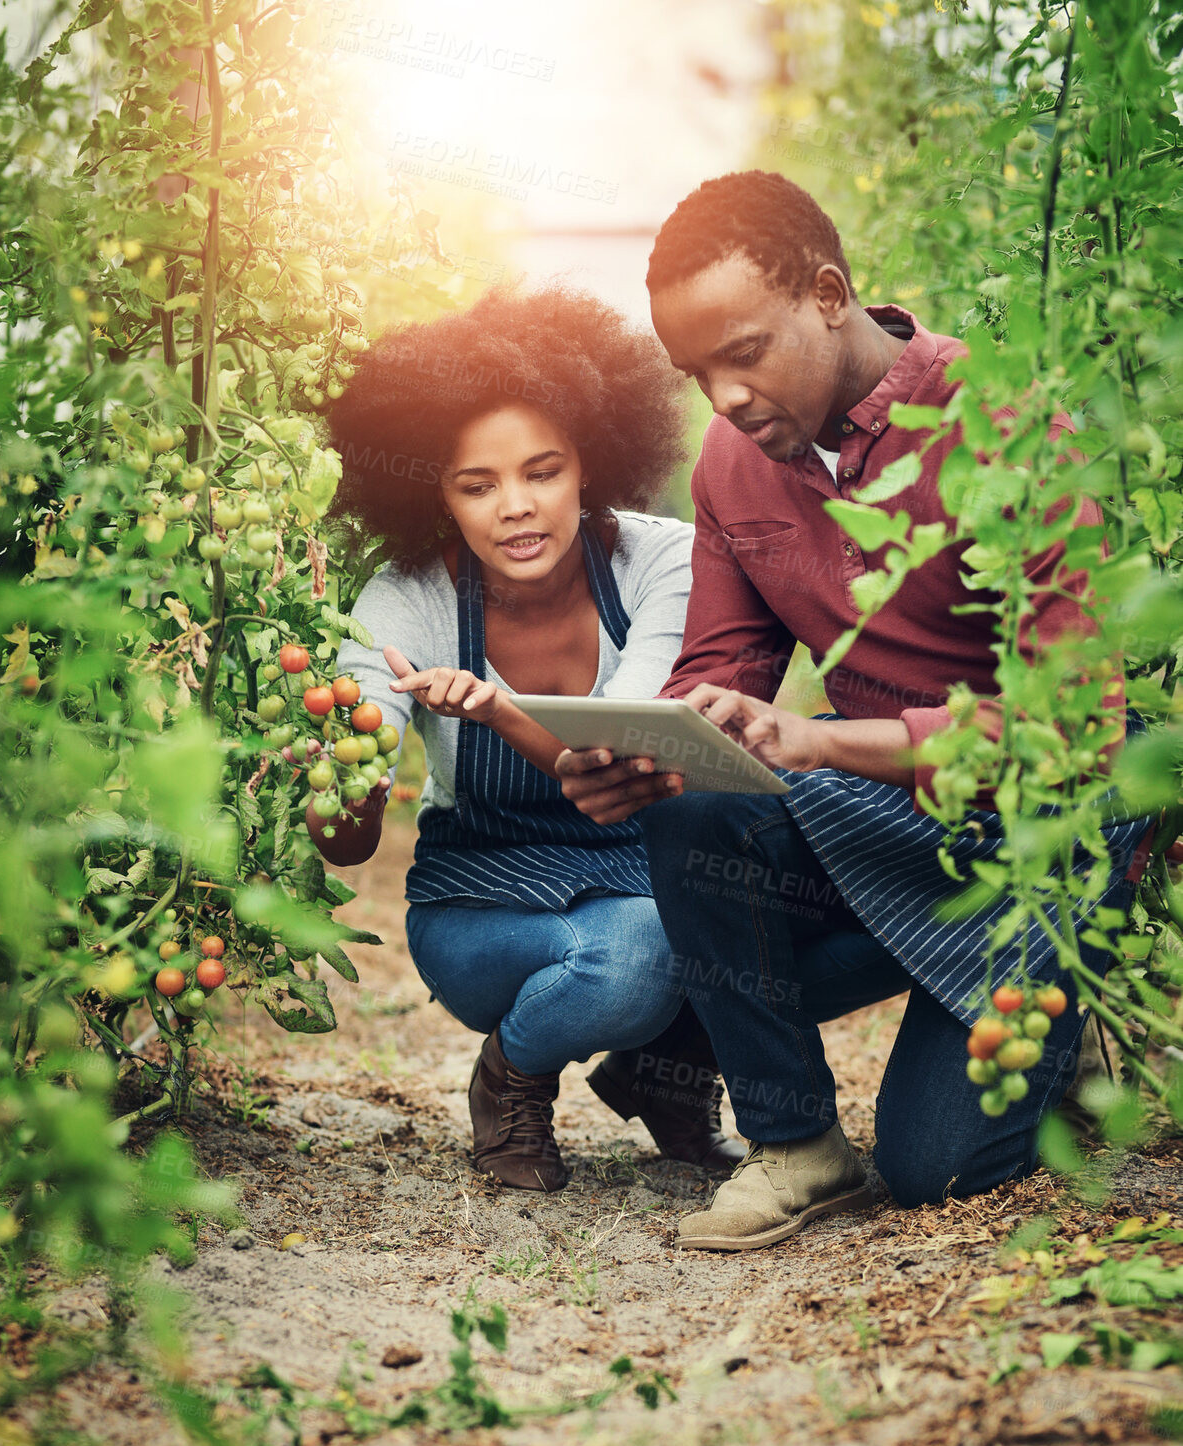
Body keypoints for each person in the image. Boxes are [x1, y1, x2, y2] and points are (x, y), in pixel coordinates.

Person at [554, 171, 1152, 1249]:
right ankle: (798, 1145)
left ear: (829, 293)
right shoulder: (734, 467)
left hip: (1037, 820)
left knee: (937, 1167)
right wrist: (652, 754)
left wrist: (820, 738)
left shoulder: (1008, 428)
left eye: (745, 353)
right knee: (692, 816)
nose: (725, 397)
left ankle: (1070, 991)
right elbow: (722, 678)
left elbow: (1069, 731)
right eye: (699, 373)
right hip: (888, 813)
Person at [310, 285, 745, 1192]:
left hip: (635, 874)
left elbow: (621, 750)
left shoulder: (659, 559)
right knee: (641, 956)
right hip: (482, 912)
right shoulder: (408, 600)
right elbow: (348, 839)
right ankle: (512, 1079)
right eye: (478, 485)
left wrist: (499, 709)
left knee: (713, 904)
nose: (516, 506)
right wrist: (330, 766)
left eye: (541, 472)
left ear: (591, 461)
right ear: (436, 492)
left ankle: (665, 1075)